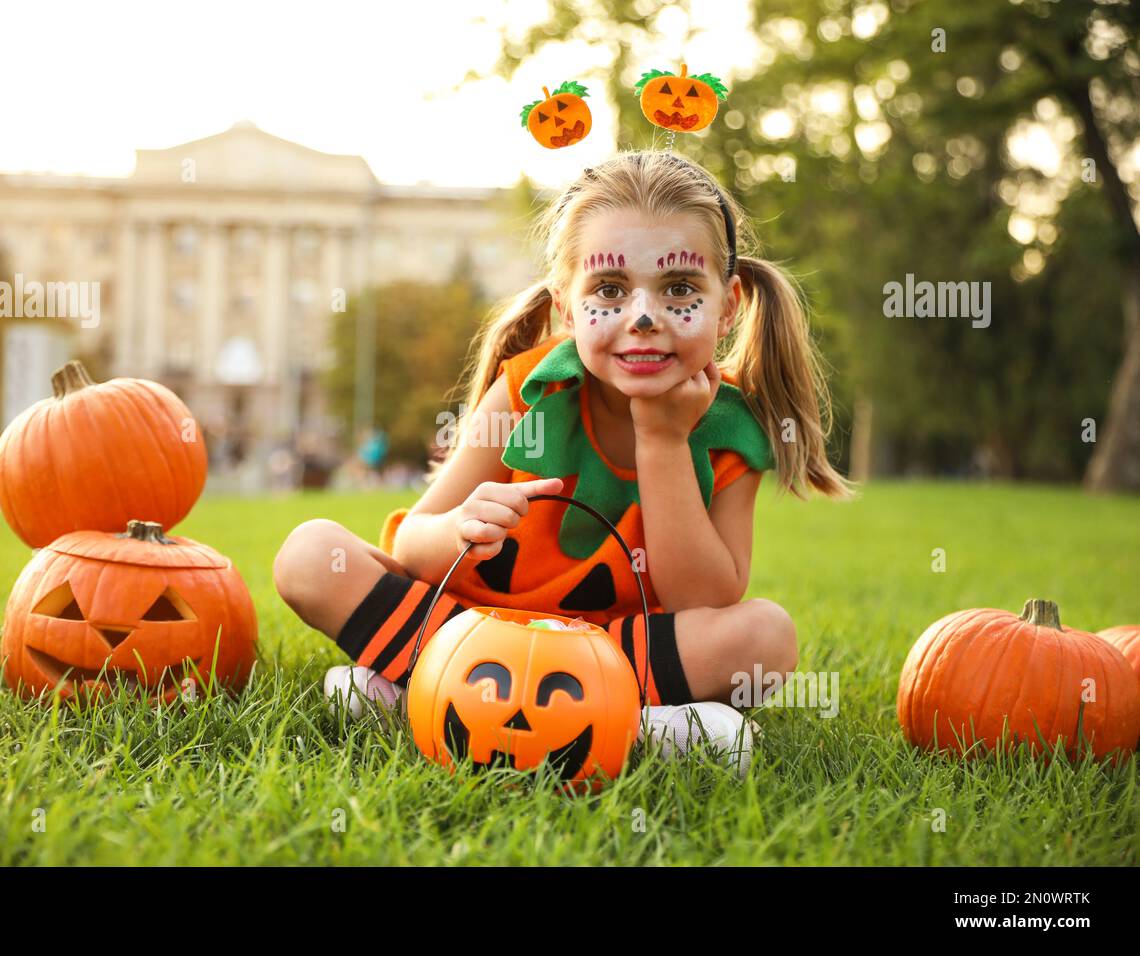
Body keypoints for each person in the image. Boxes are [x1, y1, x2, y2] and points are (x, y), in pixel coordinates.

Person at [274, 150, 850, 766]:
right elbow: (414, 544)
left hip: (613, 654)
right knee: (310, 556)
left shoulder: (732, 430)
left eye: (679, 289)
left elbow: (701, 600)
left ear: (728, 303)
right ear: (567, 307)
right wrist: (461, 528)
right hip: (477, 632)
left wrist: (663, 442)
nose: (645, 317)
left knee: (765, 638)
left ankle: (439, 701)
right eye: (610, 290)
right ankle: (612, 722)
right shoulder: (529, 390)